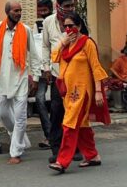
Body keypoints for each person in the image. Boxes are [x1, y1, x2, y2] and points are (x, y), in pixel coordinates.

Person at [48, 12, 109, 174]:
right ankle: (92, 155)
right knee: (81, 124)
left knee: (69, 124)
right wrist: (63, 43)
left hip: (83, 92)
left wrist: (97, 92)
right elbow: (54, 57)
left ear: (79, 26)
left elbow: (96, 68)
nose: (68, 29)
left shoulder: (87, 43)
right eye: (65, 26)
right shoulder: (67, 44)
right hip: (68, 93)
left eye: (71, 26)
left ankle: (62, 161)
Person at [0, 0, 40, 164]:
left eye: (20, 10)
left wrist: (35, 78)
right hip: (1, 79)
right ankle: (21, 139)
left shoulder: (26, 30)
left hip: (20, 78)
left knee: (21, 117)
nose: (18, 13)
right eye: (16, 10)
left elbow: (34, 55)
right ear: (7, 12)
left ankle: (15, 152)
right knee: (2, 112)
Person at [42, 0, 76, 163]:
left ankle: (75, 148)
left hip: (75, 76)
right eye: (67, 6)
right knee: (56, 112)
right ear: (59, 6)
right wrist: (46, 68)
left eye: (72, 6)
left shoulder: (77, 21)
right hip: (57, 75)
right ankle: (56, 149)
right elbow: (45, 46)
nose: (70, 9)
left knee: (74, 112)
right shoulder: (48, 22)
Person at [34, 0, 54, 148]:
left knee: (56, 103)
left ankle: (56, 135)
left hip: (58, 69)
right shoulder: (37, 26)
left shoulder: (57, 24)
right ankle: (49, 135)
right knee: (40, 100)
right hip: (42, 69)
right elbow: (36, 48)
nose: (42, 13)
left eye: (44, 10)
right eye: (40, 10)